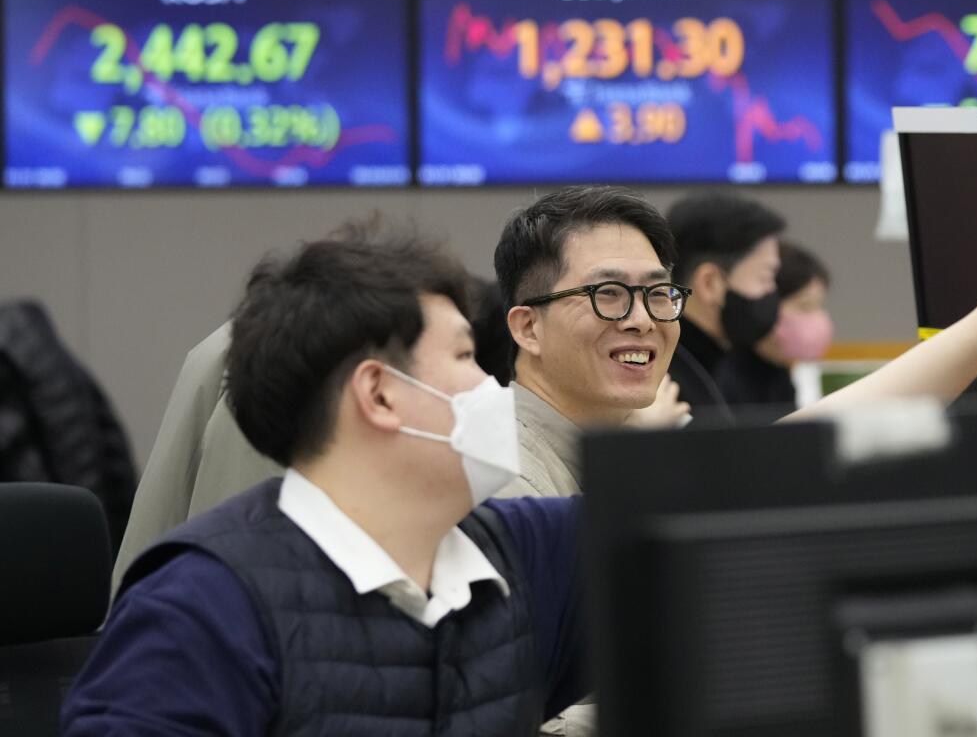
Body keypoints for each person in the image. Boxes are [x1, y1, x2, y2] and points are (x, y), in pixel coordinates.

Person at [63, 226, 587, 735]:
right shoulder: (198, 610)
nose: (491, 384)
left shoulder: (522, 554)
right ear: (380, 394)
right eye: (464, 356)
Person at [494, 186, 692, 499]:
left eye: (657, 294)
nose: (642, 321)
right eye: (608, 293)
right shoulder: (502, 480)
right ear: (529, 328)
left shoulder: (646, 452)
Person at [665, 190, 786, 424]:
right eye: (765, 277)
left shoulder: (720, 366)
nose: (772, 292)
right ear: (710, 283)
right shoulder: (667, 386)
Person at [714, 241, 832, 423]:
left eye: (819, 306)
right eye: (805, 306)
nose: (816, 319)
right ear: (766, 301)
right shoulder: (724, 376)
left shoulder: (781, 373)